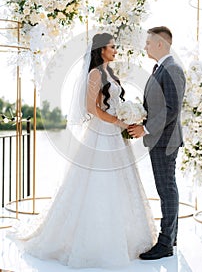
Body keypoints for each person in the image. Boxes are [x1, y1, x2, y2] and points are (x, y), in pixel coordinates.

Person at [9, 33, 156, 269]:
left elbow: (113, 104)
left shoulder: (110, 73)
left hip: (116, 137)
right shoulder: (95, 74)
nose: (115, 50)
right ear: (101, 50)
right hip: (102, 134)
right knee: (98, 182)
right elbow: (91, 108)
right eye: (112, 47)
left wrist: (129, 114)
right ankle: (92, 243)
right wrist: (119, 122)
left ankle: (126, 238)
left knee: (121, 183)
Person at [128, 26, 186, 260]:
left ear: (161, 44)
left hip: (166, 140)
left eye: (149, 43)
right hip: (160, 140)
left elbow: (172, 109)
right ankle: (170, 238)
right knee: (166, 189)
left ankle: (165, 244)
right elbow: (157, 105)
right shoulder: (160, 69)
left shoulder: (172, 69)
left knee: (167, 190)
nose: (145, 47)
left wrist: (146, 128)